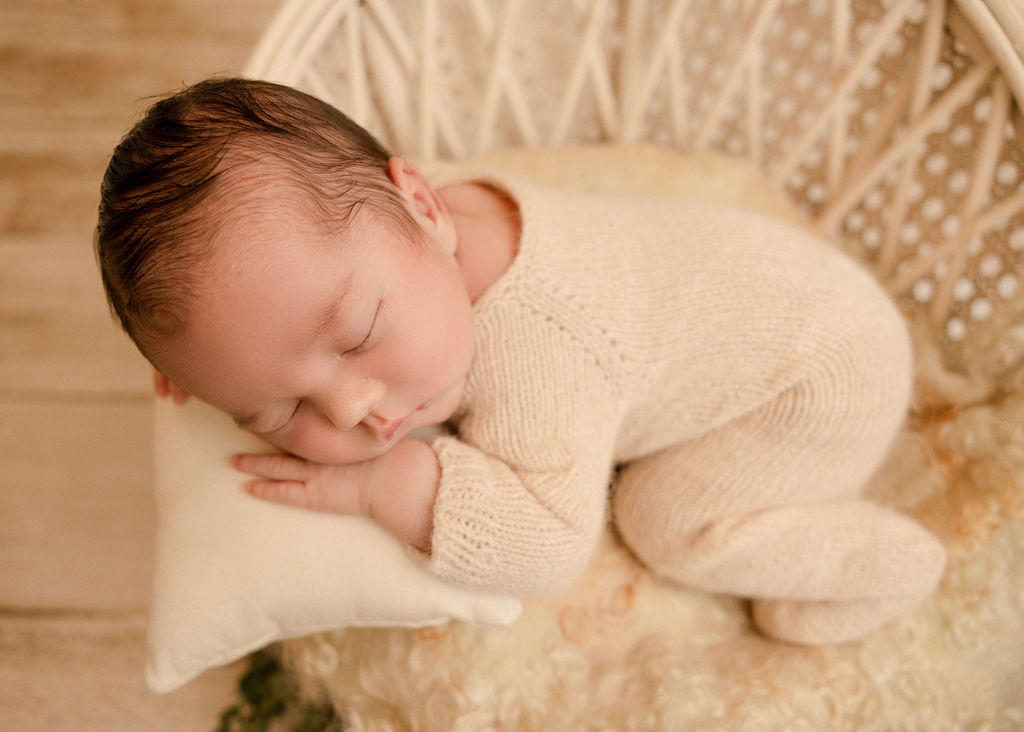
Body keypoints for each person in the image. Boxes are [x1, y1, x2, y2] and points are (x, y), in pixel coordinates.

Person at [97, 77, 946, 644]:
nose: (354, 409)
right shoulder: (417, 228)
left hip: (818, 381)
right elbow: (267, 313)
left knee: (664, 520)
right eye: (278, 412)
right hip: (791, 290)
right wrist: (229, 375)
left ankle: (890, 564)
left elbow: (551, 544)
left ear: (421, 202)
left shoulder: (538, 350)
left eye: (357, 337)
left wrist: (389, 487)